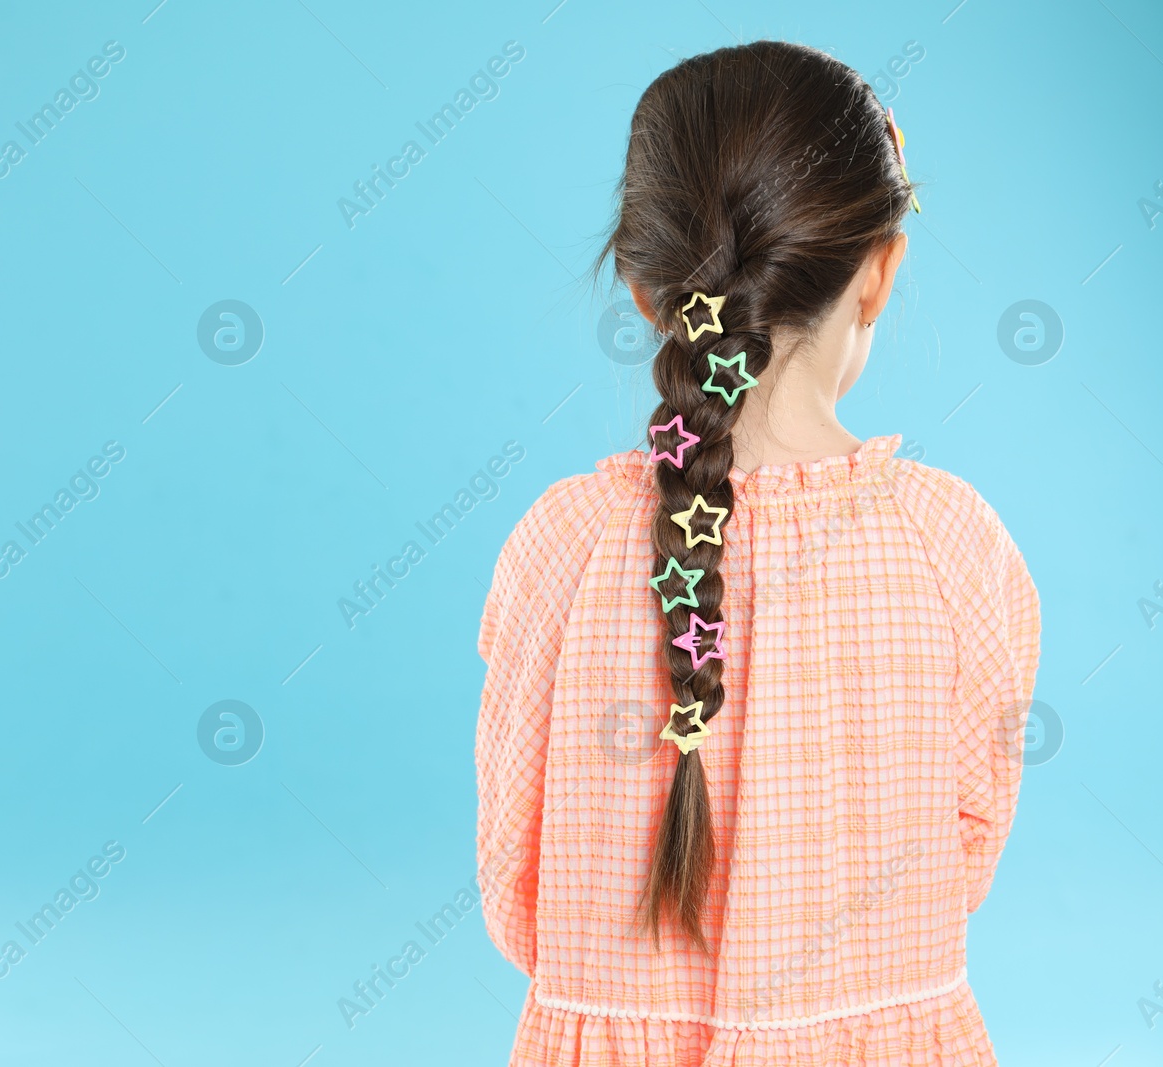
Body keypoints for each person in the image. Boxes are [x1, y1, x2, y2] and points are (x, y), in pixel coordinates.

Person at [474, 41, 1041, 1066]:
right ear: (878, 270)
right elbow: (965, 847)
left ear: (647, 292)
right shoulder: (951, 542)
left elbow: (515, 877)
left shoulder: (559, 546)